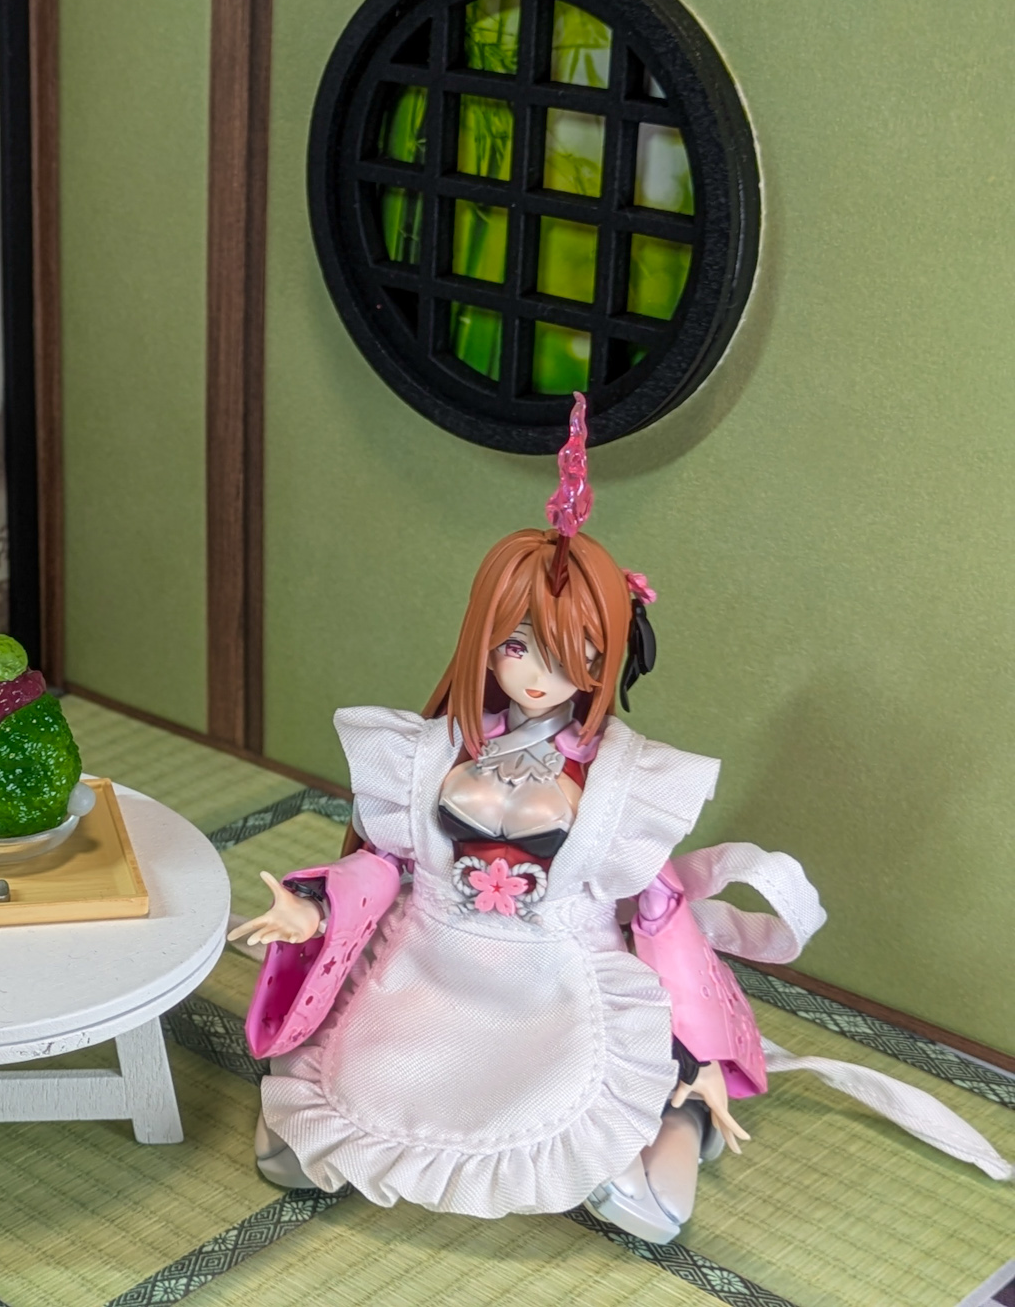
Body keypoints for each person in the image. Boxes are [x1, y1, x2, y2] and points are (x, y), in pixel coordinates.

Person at [231, 395, 1008, 1243]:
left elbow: (661, 919)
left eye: (573, 654)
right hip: (427, 967)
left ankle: (680, 1119)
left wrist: (698, 1058)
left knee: (646, 1205)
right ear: (484, 641)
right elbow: (391, 860)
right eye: (517, 646)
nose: (536, 675)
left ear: (609, 655)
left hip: (554, 981)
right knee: (310, 1134)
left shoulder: (625, 781)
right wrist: (315, 905)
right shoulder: (432, 752)